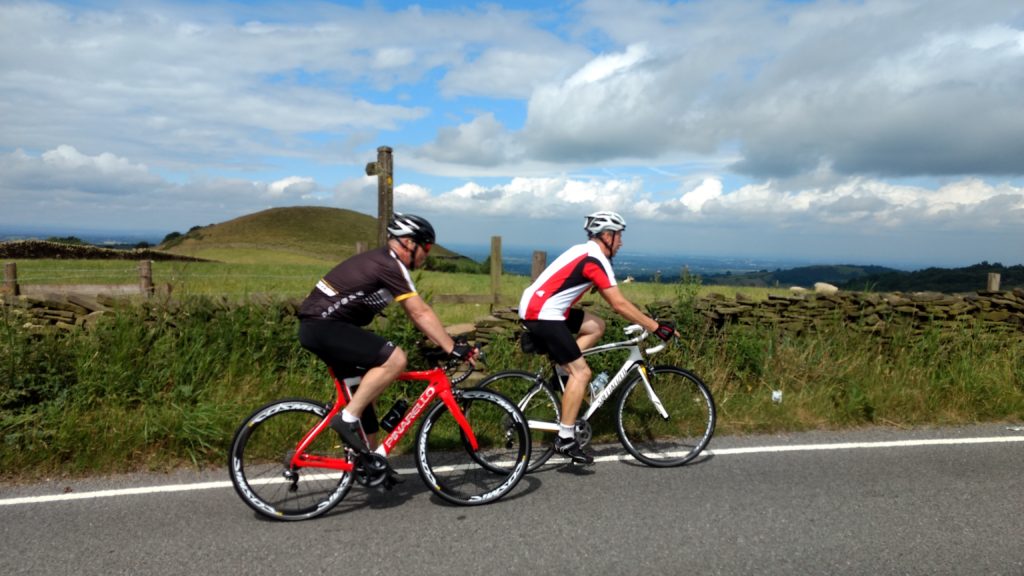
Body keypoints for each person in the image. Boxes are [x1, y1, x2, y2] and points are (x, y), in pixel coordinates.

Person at [297, 213, 472, 455]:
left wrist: (438, 340)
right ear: (409, 243)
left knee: (364, 395)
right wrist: (451, 347)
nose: (427, 254)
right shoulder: (390, 264)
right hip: (325, 327)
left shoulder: (381, 260)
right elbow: (419, 312)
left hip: (320, 328)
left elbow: (415, 317)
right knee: (396, 359)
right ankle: (346, 419)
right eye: (427, 247)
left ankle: (368, 461)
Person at [518, 210, 676, 464]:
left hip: (543, 309)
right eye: (619, 236)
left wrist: (644, 319)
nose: (621, 242)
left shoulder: (585, 252)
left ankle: (563, 365)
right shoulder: (595, 259)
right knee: (582, 373)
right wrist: (655, 326)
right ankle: (565, 437)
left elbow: (614, 299)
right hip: (544, 313)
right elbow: (619, 304)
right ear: (607, 235)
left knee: (596, 326)